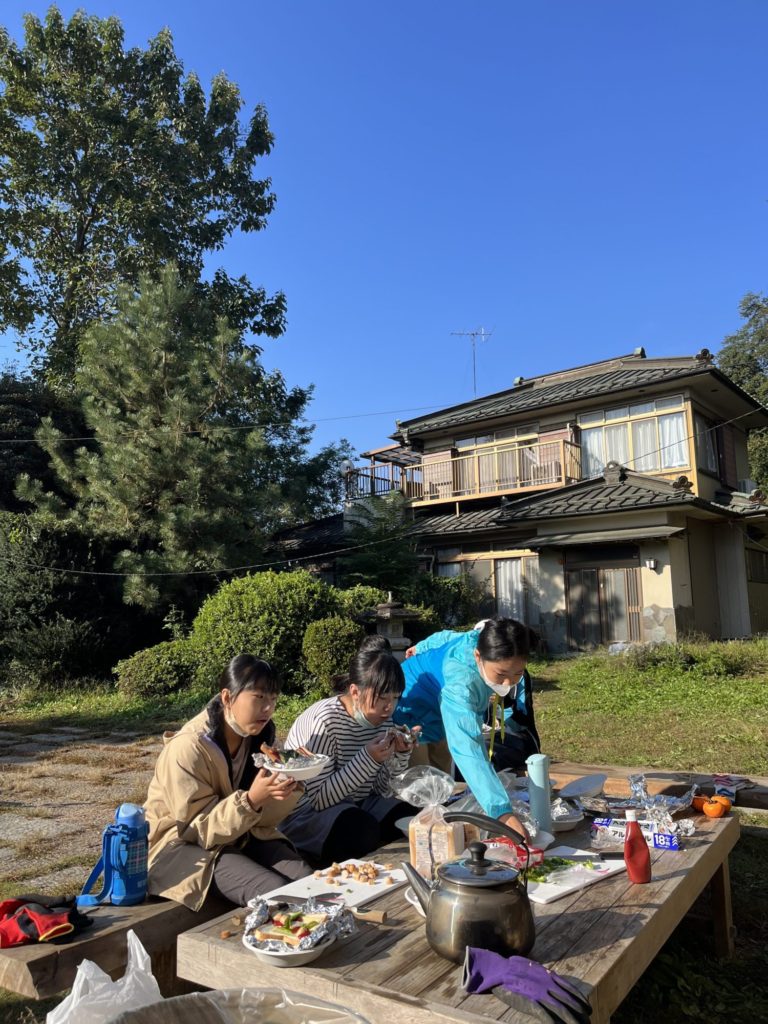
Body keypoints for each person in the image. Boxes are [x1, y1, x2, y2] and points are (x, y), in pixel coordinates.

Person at [145, 655, 310, 910]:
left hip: (239, 835)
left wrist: (292, 780)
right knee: (275, 893)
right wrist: (252, 800)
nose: (268, 708)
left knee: (307, 882)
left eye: (273, 699)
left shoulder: (257, 738)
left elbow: (264, 820)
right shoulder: (188, 747)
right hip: (185, 848)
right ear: (227, 697)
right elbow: (194, 828)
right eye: (259, 697)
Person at [393, 618, 539, 836]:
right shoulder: (460, 680)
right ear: (478, 656)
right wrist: (502, 813)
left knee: (443, 784)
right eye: (501, 675)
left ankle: (443, 833)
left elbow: (445, 636)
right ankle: (425, 846)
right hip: (410, 711)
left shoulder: (479, 639)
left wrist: (421, 646)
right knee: (421, 787)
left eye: (517, 674)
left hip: (443, 715)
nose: (508, 684)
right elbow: (467, 746)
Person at [279, 644, 419, 864]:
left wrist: (399, 755)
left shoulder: (383, 720)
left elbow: (381, 789)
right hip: (306, 815)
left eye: (395, 698)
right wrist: (368, 759)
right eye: (383, 697)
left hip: (357, 802)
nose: (389, 707)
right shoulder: (324, 723)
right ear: (355, 692)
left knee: (411, 818)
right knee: (360, 830)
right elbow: (318, 799)